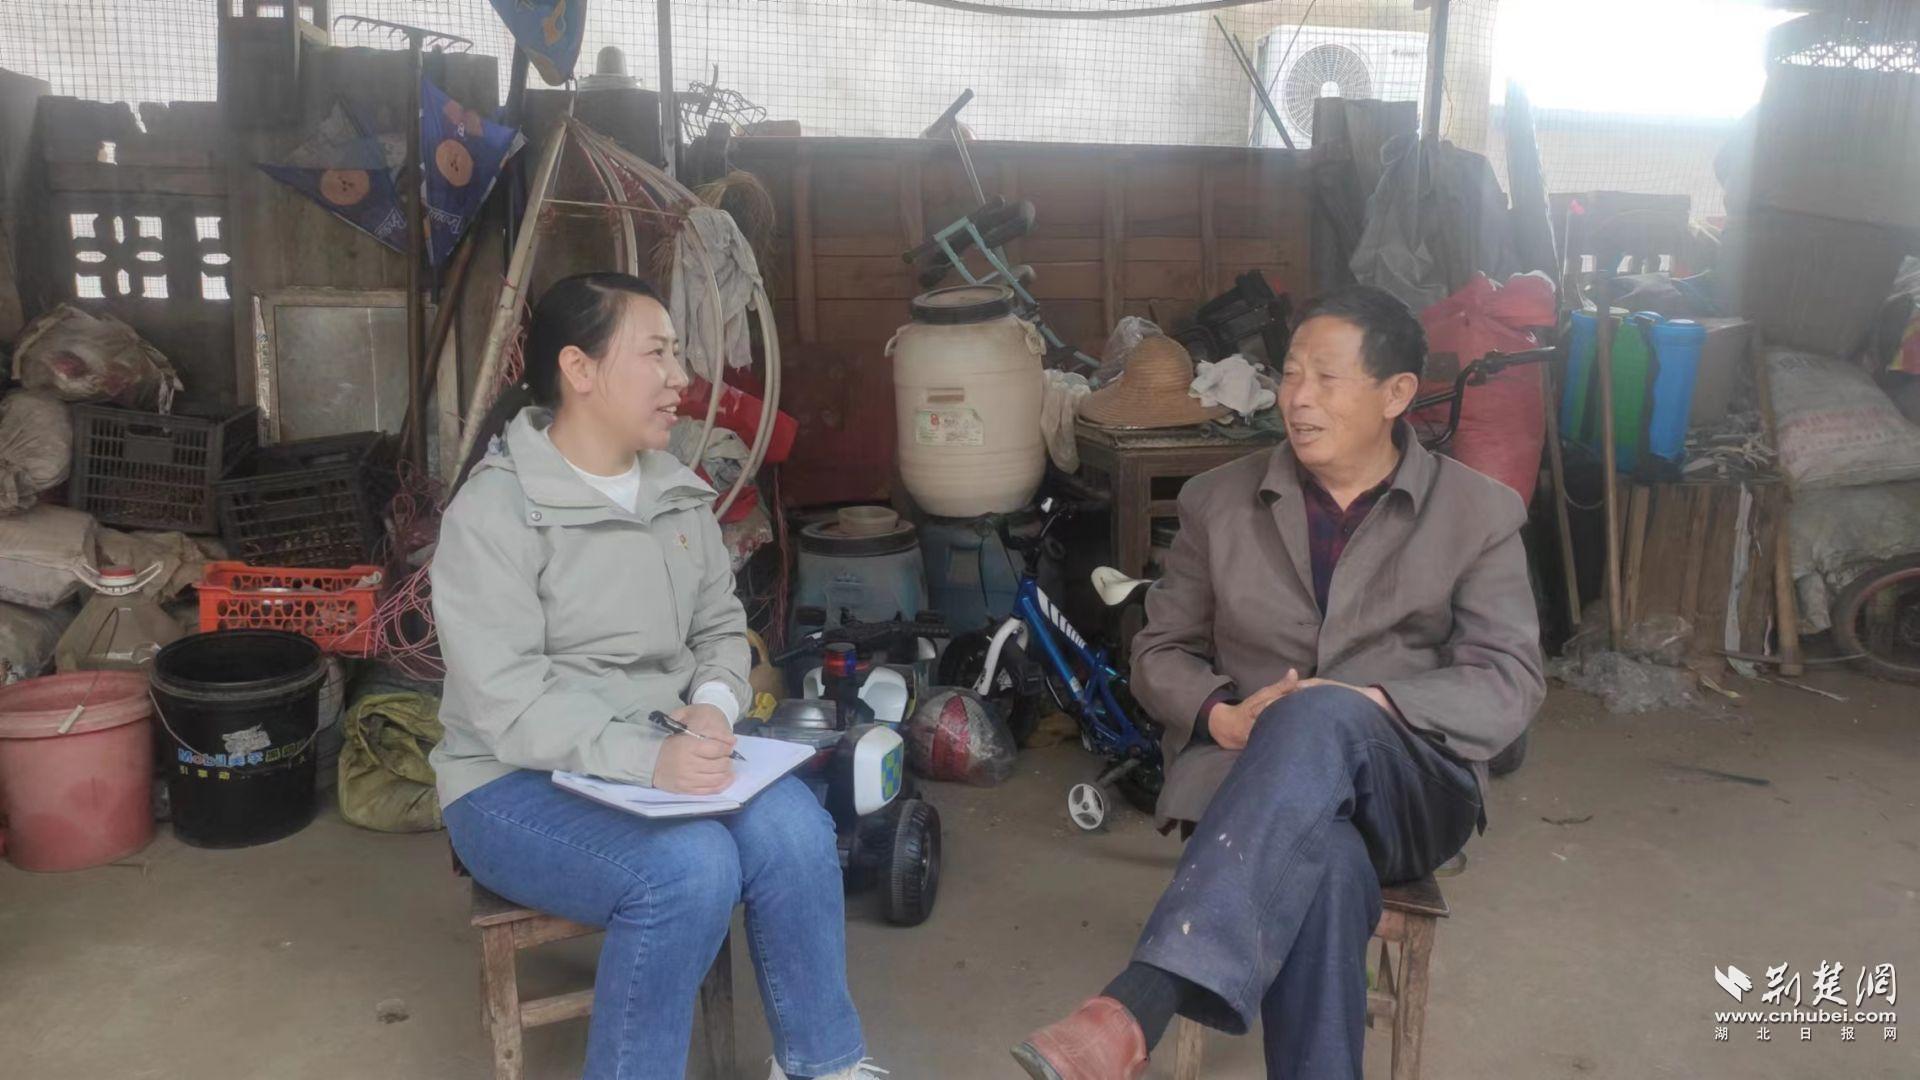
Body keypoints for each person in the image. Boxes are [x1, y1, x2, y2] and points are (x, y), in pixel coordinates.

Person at [1014, 284, 1545, 1079]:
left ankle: (1141, 999)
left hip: (1409, 789)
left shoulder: (1478, 513)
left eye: (1327, 378)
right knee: (1324, 863)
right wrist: (1220, 716)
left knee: (1320, 715)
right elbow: (1160, 651)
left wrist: (1371, 705)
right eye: (1292, 373)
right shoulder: (1217, 501)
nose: (1298, 398)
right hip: (1248, 779)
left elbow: (1509, 680)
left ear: (1396, 393)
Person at [431, 273, 882, 1080]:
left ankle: (823, 1064)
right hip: (509, 781)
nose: (681, 378)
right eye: (657, 354)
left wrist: (712, 706)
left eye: (677, 354)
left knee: (796, 831)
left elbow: (720, 629)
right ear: (579, 368)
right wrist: (649, 760)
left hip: (660, 752)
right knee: (688, 871)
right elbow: (508, 704)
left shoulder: (676, 492)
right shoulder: (495, 512)